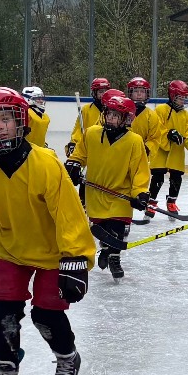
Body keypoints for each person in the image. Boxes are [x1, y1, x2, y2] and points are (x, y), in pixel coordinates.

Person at [0, 87, 95, 375]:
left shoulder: (45, 164)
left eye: (5, 119)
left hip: (55, 253)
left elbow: (69, 214)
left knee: (46, 314)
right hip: (12, 249)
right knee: (3, 312)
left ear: (20, 121)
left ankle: (68, 357)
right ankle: (6, 370)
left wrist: (77, 257)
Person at [65, 94, 150, 280]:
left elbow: (140, 172)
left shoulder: (135, 141)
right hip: (95, 194)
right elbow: (80, 155)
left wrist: (141, 193)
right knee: (103, 230)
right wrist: (73, 164)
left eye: (115, 115)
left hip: (121, 194)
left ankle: (114, 257)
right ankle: (106, 250)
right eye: (109, 114)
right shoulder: (92, 133)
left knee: (118, 229)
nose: (110, 118)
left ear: (126, 119)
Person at [148, 80, 188, 217]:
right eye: (180, 97)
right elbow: (156, 127)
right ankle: (151, 202)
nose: (183, 101)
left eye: (185, 98)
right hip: (161, 151)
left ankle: (171, 202)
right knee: (158, 176)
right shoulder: (161, 110)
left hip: (177, 151)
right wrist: (169, 133)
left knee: (176, 177)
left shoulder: (185, 115)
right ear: (172, 96)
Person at [65, 78, 111, 158]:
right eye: (100, 92)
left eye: (105, 92)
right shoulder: (86, 109)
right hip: (90, 149)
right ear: (94, 93)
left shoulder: (113, 110)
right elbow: (78, 130)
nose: (103, 94)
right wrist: (73, 143)